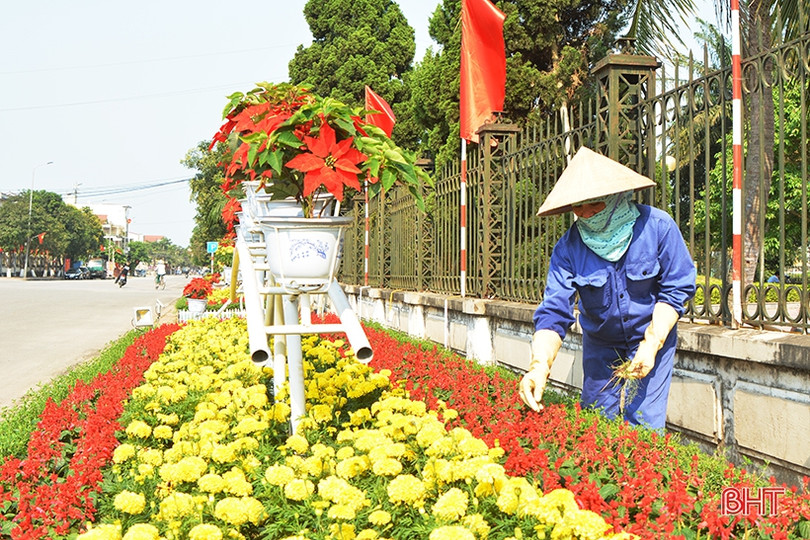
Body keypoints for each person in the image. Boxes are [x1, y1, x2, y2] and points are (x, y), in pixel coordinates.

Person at [518, 147, 696, 429]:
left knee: (644, 423)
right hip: (601, 343)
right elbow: (554, 310)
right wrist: (538, 368)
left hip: (652, 336)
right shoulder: (568, 249)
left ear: (616, 198)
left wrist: (651, 345)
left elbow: (676, 289)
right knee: (596, 421)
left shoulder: (659, 227)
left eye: (595, 204)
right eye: (578, 206)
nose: (586, 214)